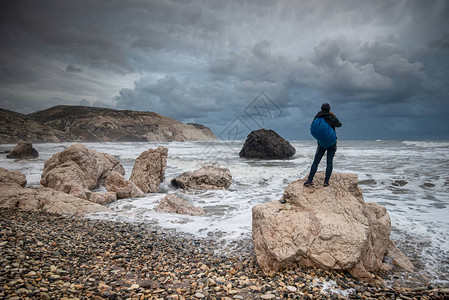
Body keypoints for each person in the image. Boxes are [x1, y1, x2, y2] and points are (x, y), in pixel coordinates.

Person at [304, 103, 342, 187]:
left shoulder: (318, 117)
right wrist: (333, 115)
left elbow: (313, 125)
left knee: (316, 161)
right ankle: (326, 182)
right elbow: (339, 124)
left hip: (321, 143)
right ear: (329, 109)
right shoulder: (331, 117)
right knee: (329, 162)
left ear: (321, 109)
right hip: (332, 142)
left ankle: (309, 180)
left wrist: (319, 113)